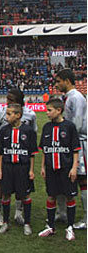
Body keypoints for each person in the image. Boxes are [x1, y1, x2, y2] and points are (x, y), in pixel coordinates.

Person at [0, 88, 38, 226]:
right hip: (5, 156)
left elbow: (33, 134)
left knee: (22, 186)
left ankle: (18, 213)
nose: (7, 101)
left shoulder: (31, 115)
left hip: (22, 158)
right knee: (1, 184)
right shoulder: (0, 112)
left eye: (11, 99)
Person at [38, 98, 80, 241]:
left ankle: (70, 227)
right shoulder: (46, 128)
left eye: (49, 110)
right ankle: (50, 226)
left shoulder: (69, 127)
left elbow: (75, 150)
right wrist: (42, 166)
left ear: (58, 110)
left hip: (66, 168)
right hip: (51, 169)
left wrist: (74, 168)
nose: (47, 113)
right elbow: (44, 149)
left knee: (69, 196)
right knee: (51, 196)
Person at [55, 69, 87, 230]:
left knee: (82, 179)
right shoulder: (68, 98)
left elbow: (78, 124)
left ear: (67, 81)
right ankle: (62, 213)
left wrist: (68, 139)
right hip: (69, 143)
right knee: (65, 177)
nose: (57, 84)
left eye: (59, 81)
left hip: (79, 144)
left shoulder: (77, 98)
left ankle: (87, 218)